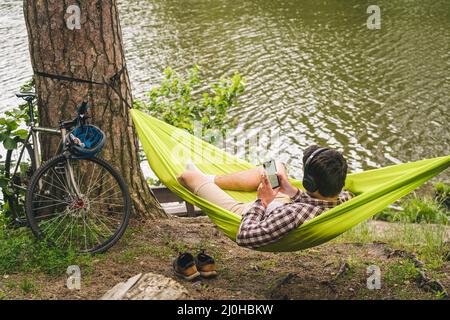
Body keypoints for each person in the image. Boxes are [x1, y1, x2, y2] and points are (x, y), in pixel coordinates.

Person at [177, 145, 353, 249]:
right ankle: (211, 179)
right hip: (284, 202)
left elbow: (244, 236)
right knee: (273, 166)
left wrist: (262, 201)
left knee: (188, 177)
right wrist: (292, 191)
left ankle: (204, 178)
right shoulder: (346, 198)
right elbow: (318, 204)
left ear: (308, 183)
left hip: (249, 214)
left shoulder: (291, 215)